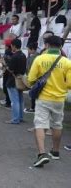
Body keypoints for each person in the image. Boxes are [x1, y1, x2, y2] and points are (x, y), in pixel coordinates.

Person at [28, 35, 71, 167]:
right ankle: (56, 151)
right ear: (60, 46)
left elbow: (30, 79)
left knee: (40, 124)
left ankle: (42, 154)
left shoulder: (40, 59)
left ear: (46, 45)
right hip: (59, 99)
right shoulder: (67, 62)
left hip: (43, 98)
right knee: (57, 125)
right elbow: (70, 84)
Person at [4, 39, 26, 124]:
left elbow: (11, 69)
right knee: (20, 99)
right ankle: (20, 117)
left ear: (13, 46)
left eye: (12, 45)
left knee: (15, 101)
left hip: (13, 80)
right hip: (21, 79)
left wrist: (5, 64)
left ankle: (15, 119)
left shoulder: (15, 56)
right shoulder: (23, 55)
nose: (11, 47)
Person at [24, 42, 38, 113]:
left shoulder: (31, 58)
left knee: (32, 94)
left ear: (32, 49)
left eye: (28, 49)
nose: (28, 51)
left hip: (32, 77)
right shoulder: (40, 55)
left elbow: (27, 68)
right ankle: (35, 107)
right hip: (40, 78)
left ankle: (33, 108)